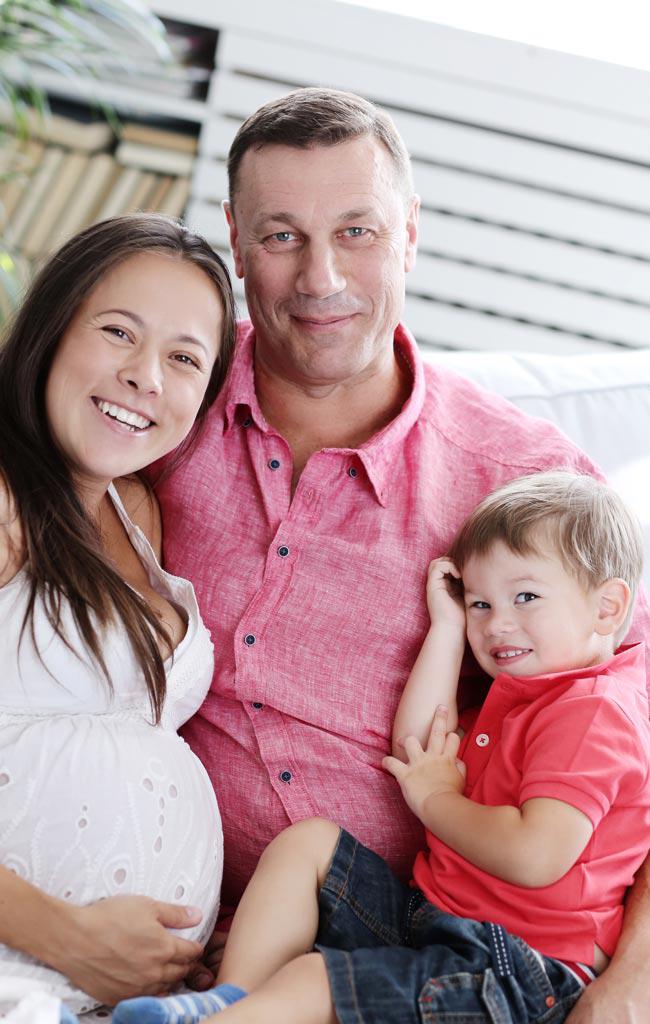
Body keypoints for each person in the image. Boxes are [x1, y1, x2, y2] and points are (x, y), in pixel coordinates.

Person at [153, 88, 650, 1018]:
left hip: (428, 958)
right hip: (154, 916)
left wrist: (629, 990)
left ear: (411, 233)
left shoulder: (530, 490)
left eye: (357, 232)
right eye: (280, 236)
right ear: (232, 238)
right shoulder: (163, 406)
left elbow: (635, 748)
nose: (320, 279)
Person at [112, 470, 650, 1024]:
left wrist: (438, 802)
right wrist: (446, 626)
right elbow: (417, 748)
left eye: (526, 597)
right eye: (481, 604)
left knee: (314, 979)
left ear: (608, 608)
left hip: (523, 972)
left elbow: (536, 856)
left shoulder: (594, 712)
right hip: (437, 924)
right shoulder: (523, 696)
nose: (496, 625)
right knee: (310, 844)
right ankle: (230, 999)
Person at [0, 213, 237, 1019]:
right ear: (52, 326)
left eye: (184, 359)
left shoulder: (135, 511)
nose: (146, 377)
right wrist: (64, 935)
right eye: (117, 333)